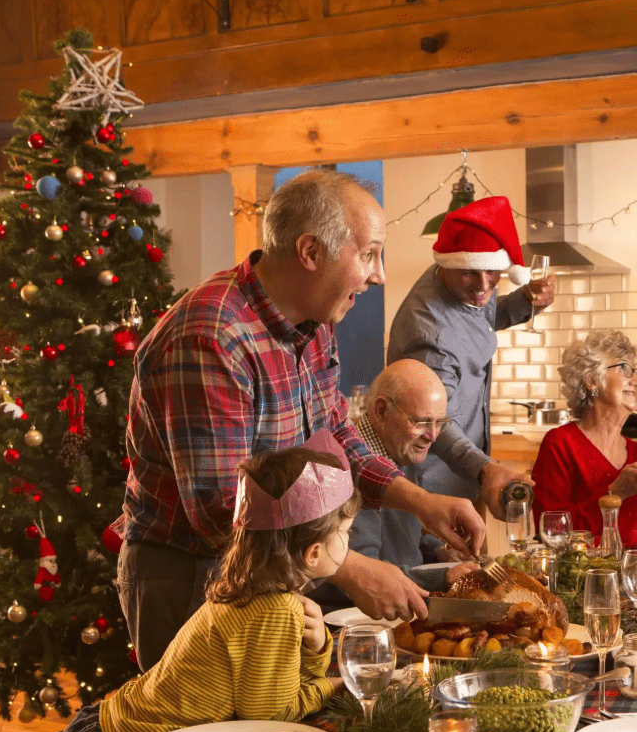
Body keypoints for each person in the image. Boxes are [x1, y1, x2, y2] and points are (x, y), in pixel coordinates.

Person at [114, 169, 484, 670]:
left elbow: (334, 438)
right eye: (369, 253)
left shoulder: (313, 323)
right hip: (192, 574)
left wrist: (419, 501)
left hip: (273, 565)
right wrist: (350, 569)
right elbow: (225, 511)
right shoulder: (213, 337)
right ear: (311, 253)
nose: (378, 274)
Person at [0, 435, 360, 732]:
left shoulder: (249, 589)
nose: (351, 539)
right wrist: (332, 683)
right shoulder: (277, 609)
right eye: (347, 530)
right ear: (313, 552)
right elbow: (271, 716)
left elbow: (273, 691)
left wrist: (316, 645)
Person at [388, 195, 555, 519]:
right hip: (432, 494)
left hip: (464, 480)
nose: (482, 285)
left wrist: (526, 300)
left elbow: (479, 315)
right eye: (470, 273)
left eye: (492, 271)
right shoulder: (430, 335)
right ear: (449, 263)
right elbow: (436, 426)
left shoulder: (455, 279)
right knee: (447, 569)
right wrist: (487, 470)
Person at [309, 359, 479, 613]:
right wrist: (442, 578)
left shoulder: (402, 451)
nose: (432, 435)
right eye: (421, 422)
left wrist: (438, 551)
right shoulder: (345, 472)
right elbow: (366, 580)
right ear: (380, 411)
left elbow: (398, 548)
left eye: (440, 423)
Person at [531, 329, 637, 552]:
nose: (636, 381)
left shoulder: (636, 452)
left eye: (636, 371)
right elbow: (552, 536)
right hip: (588, 582)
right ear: (592, 380)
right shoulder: (560, 445)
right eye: (625, 369)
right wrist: (614, 495)